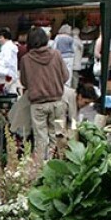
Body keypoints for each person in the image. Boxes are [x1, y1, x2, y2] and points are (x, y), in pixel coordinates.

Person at [20, 27, 69, 160]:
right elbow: (66, 76)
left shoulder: (26, 59)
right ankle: (59, 165)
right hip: (58, 103)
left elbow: (24, 82)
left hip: (37, 105)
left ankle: (41, 171)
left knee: (40, 140)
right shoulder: (57, 55)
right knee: (59, 137)